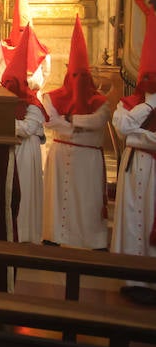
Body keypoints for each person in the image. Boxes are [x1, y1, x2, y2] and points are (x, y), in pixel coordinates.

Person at [41, 17, 111, 250]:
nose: (77, 82)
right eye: (74, 76)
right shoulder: (52, 97)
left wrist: (70, 120)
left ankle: (92, 240)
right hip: (61, 154)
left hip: (87, 159)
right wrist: (76, 125)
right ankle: (53, 235)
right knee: (57, 198)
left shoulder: (101, 102)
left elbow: (98, 120)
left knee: (86, 201)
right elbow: (51, 122)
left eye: (82, 77)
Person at [112, 18, 156, 303]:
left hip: (153, 170)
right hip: (133, 167)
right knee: (131, 218)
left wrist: (137, 136)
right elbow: (123, 128)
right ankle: (132, 278)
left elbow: (132, 134)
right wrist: (149, 105)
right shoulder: (128, 104)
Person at [1, 26, 47, 244]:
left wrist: (0, 123)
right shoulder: (1, 103)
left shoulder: (34, 105)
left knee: (26, 191)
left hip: (26, 153)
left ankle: (27, 233)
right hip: (10, 150)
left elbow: (27, 128)